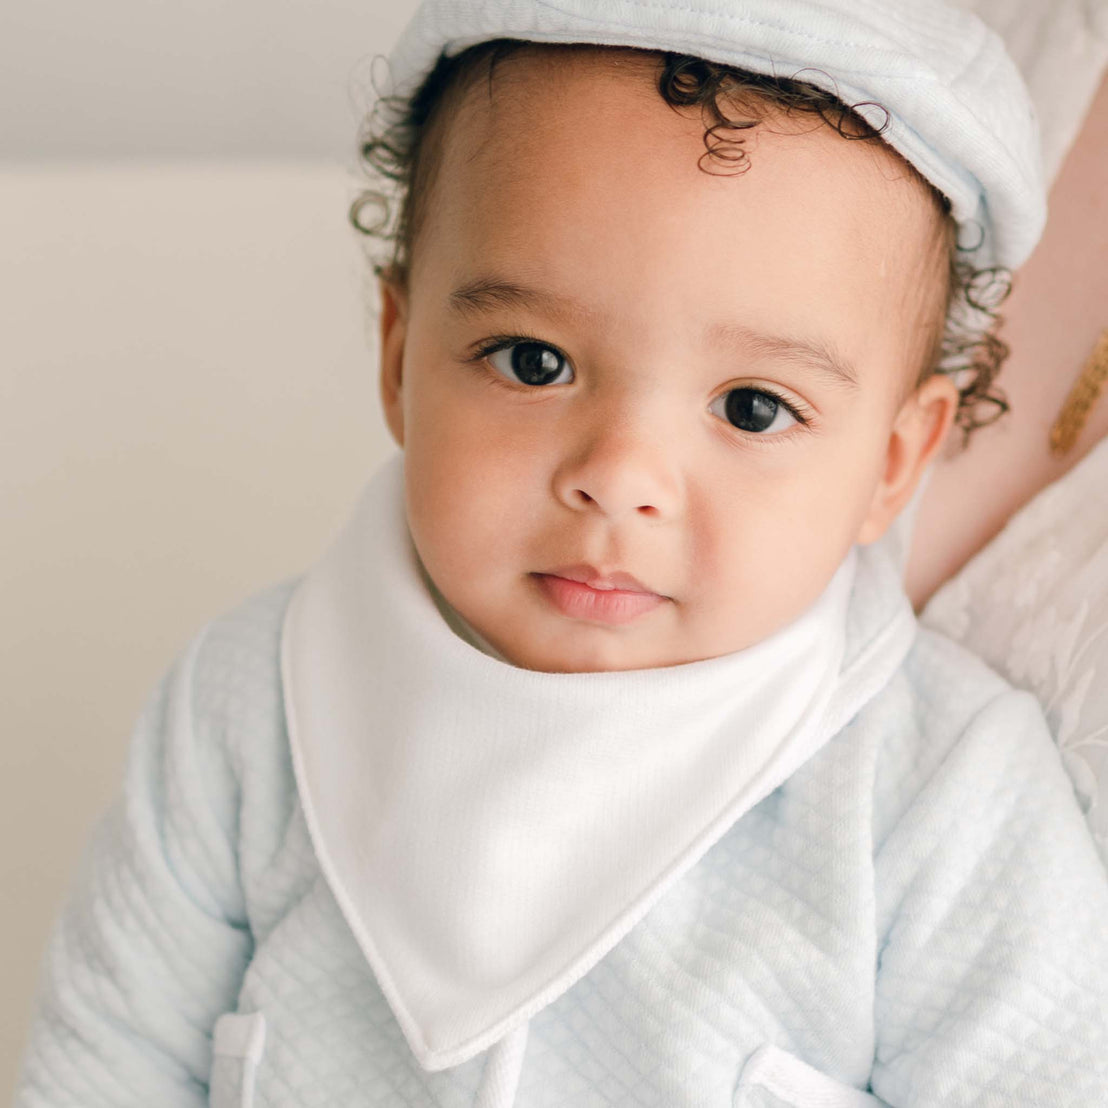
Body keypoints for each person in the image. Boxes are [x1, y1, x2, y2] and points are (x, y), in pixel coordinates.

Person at [14, 2, 1108, 1106]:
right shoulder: (251, 708)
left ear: (893, 458)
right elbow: (104, 1059)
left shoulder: (940, 799)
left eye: (752, 407)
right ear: (399, 356)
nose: (620, 475)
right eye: (533, 361)